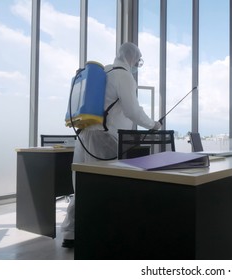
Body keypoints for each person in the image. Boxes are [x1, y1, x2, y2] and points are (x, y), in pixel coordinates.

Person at [61, 42, 161, 248]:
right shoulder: (124, 76)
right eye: (138, 61)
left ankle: (70, 233)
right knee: (105, 187)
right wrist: (153, 125)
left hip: (83, 134)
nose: (136, 65)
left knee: (81, 187)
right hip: (104, 138)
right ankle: (102, 232)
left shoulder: (104, 72)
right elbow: (132, 110)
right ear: (132, 58)